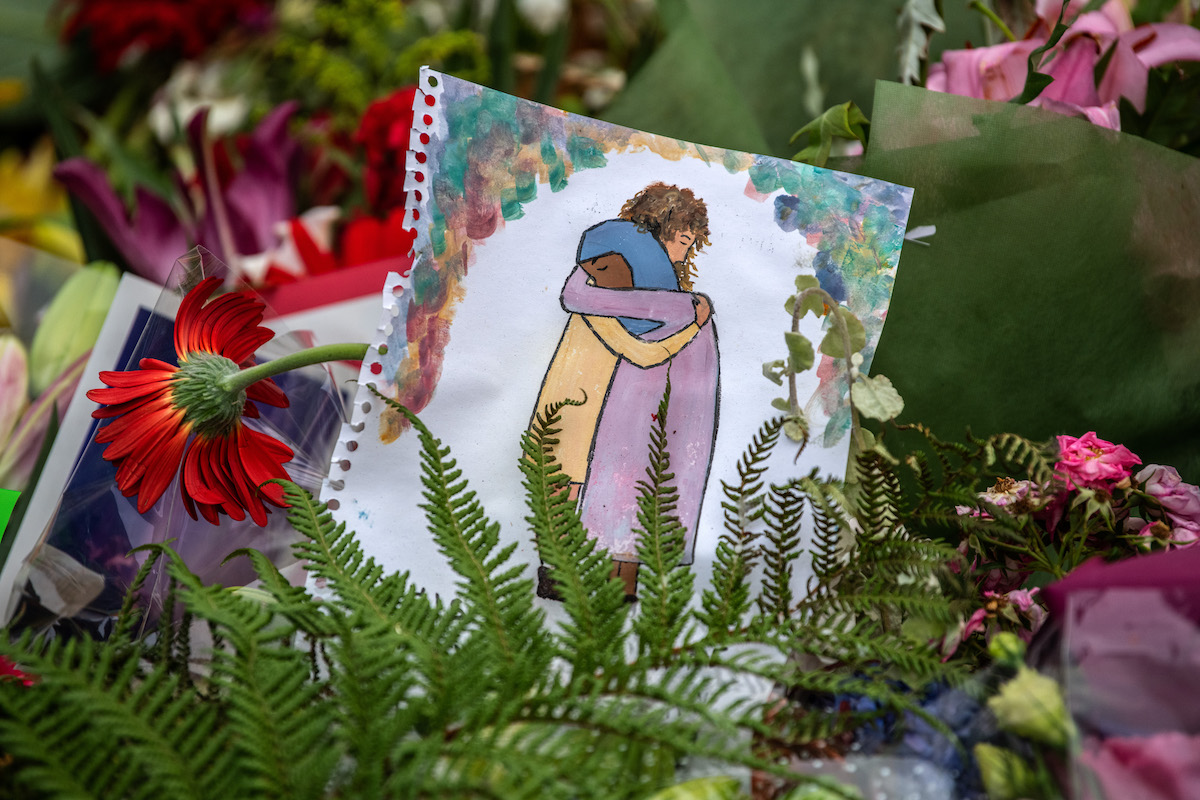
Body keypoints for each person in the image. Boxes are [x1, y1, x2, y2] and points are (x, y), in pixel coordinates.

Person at [531, 183, 719, 598]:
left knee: (581, 485)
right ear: (661, 225)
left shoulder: (646, 291)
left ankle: (582, 579)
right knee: (565, 483)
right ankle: (556, 576)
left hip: (605, 401)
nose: (684, 254)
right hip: (580, 398)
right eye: (683, 241)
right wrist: (691, 317)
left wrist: (686, 313)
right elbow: (638, 351)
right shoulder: (604, 279)